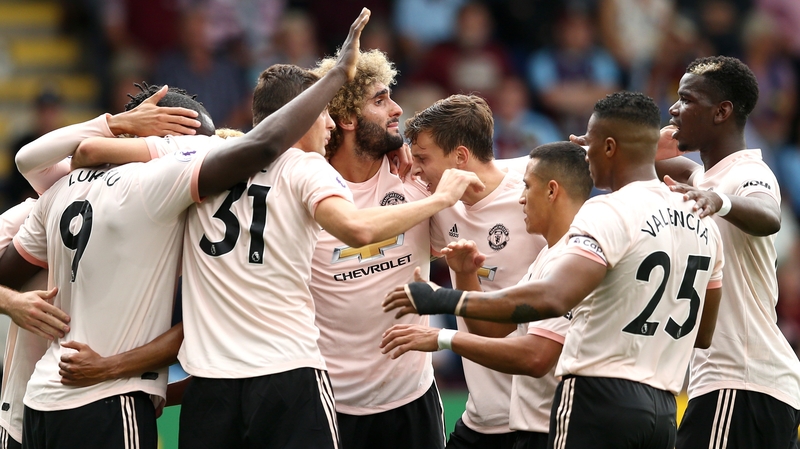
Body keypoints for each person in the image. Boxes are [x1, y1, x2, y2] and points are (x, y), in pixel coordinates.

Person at [0, 10, 371, 448]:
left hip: (32, 406)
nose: (210, 148)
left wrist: (10, 302)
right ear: (171, 142)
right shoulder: (158, 187)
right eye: (200, 141)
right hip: (106, 400)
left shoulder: (58, 190)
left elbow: (29, 161)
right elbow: (264, 144)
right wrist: (336, 75)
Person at [384, 91, 725, 449]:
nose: (583, 152)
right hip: (662, 405)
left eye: (589, 143)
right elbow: (703, 335)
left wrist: (442, 304)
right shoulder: (699, 217)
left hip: (592, 398)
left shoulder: (599, 220)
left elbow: (551, 304)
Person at [0, 85, 202, 449]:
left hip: (45, 400)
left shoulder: (159, 205)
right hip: (60, 400)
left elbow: (32, 159)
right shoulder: (65, 191)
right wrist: (10, 302)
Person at [382, 141, 592, 449]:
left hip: (552, 429)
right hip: (504, 423)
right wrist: (466, 276)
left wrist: (442, 335)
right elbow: (496, 329)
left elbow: (535, 357)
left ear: (551, 191)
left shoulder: (572, 261)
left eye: (527, 186)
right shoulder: (548, 256)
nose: (521, 197)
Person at [655, 55, 800, 449]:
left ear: (722, 112)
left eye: (687, 99)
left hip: (739, 379)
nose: (674, 108)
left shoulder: (747, 173)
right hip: (743, 384)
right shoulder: (704, 177)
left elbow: (769, 216)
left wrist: (721, 202)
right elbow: (649, 164)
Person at [308, 48, 447, 449]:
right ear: (346, 119)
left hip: (414, 399)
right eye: (380, 100)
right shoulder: (305, 190)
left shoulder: (415, 177)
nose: (397, 109)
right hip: (333, 405)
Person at [399, 93, 548, 448]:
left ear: (460, 157)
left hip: (539, 417)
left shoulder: (535, 195)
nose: (416, 169)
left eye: (423, 158)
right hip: (481, 416)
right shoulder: (439, 201)